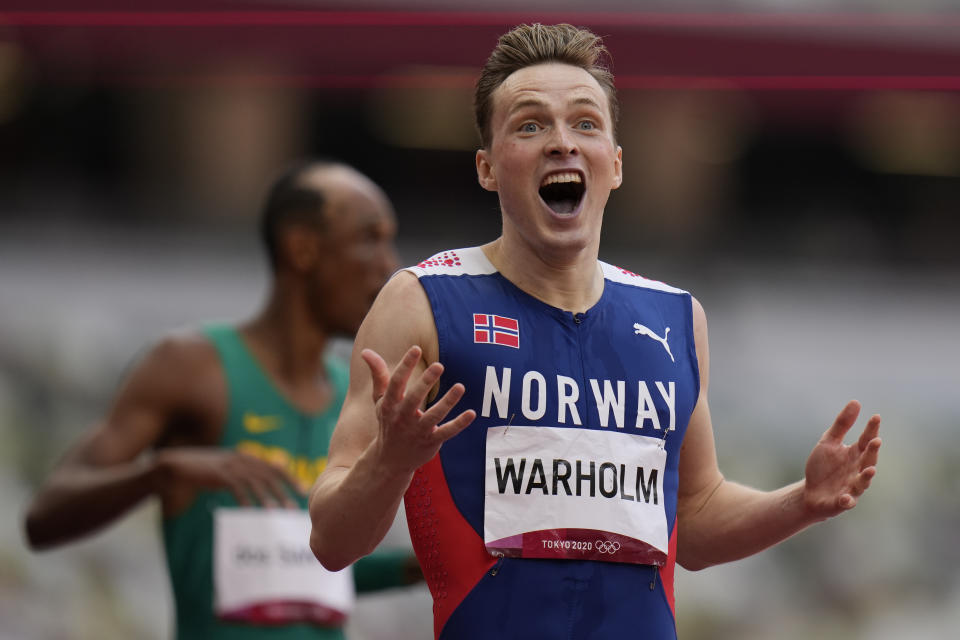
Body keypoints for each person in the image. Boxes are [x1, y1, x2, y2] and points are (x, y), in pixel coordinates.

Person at [307, 24, 883, 640]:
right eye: (530, 126)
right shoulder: (423, 301)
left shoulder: (675, 318)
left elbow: (696, 515)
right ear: (487, 167)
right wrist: (388, 462)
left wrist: (801, 501)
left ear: (615, 164)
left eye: (585, 124)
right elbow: (332, 542)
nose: (562, 143)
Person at [24, 160, 420, 639]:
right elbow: (42, 519)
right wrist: (162, 472)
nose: (389, 264)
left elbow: (308, 569)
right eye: (369, 238)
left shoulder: (353, 394)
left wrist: (425, 563)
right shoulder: (191, 367)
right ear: (302, 248)